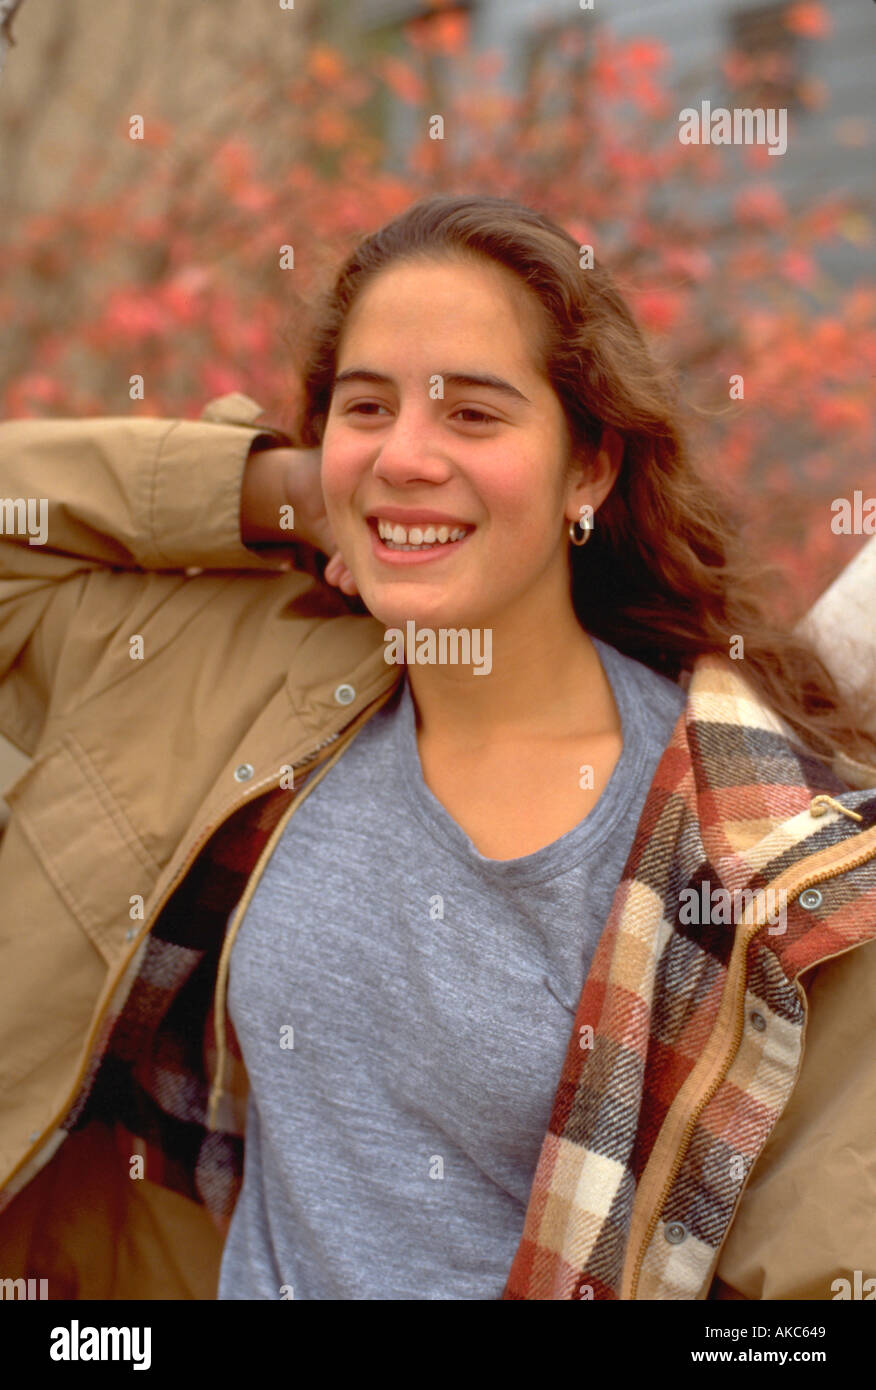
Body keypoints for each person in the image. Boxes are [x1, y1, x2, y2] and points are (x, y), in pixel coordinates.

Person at [0, 193, 875, 1301]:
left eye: (472, 414)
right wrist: (278, 491)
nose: (407, 455)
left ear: (589, 471)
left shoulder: (756, 846)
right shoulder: (235, 674)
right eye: (367, 409)